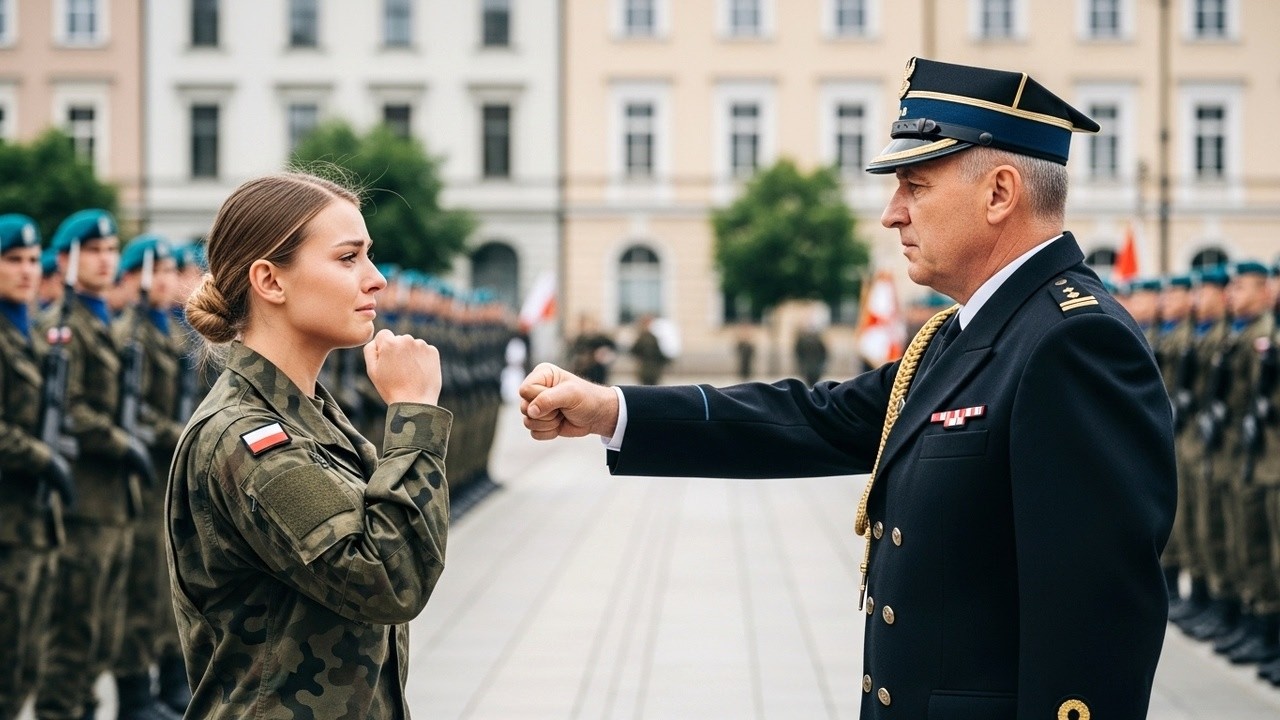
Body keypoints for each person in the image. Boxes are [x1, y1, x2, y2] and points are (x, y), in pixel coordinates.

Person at [519, 57, 1175, 719]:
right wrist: (613, 410)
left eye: (914, 186)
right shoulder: (961, 334)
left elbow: (1094, 628)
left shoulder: (1072, 343)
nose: (892, 215)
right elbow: (816, 419)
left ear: (999, 193)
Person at [167, 172, 452, 719]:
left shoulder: (309, 416)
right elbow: (389, 580)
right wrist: (414, 413)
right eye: (348, 259)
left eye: (368, 257)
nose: (376, 281)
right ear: (270, 281)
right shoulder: (247, 437)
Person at [35, 209, 155, 720]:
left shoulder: (101, 322)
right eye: (95, 252)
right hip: (82, 502)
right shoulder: (62, 327)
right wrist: (120, 441)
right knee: (74, 635)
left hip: (115, 503)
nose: (106, 260)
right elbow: (72, 409)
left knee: (104, 632)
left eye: (111, 251)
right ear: (66, 260)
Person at [110, 235, 187, 719]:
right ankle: (136, 695)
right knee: (139, 595)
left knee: (165, 588)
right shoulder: (129, 335)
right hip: (137, 484)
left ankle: (169, 682)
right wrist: (172, 432)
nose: (168, 282)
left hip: (165, 482)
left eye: (170, 272)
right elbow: (128, 412)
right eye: (157, 272)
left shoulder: (172, 334)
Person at [0, 215, 70, 718]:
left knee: (29, 655)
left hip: (35, 522)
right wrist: (44, 456)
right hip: (7, 522)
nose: (27, 270)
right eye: (13, 260)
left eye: (31, 259)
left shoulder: (27, 333)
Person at [629, 314, 668, 386]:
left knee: (648, 387)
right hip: (647, 367)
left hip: (650, 367)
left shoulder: (650, 337)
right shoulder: (645, 337)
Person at [793, 319, 828, 386]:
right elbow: (799, 352)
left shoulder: (816, 340)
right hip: (810, 365)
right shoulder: (804, 340)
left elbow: (823, 352)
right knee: (812, 382)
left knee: (812, 382)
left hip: (813, 365)